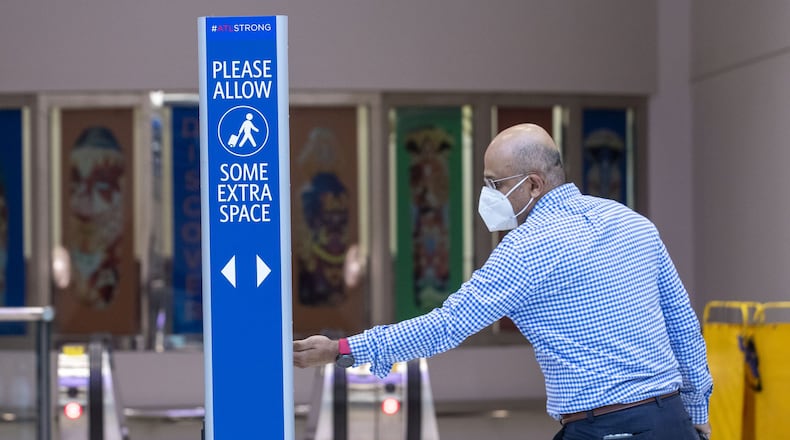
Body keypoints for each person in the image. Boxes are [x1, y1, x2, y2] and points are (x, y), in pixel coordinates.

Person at [293, 123, 712, 439]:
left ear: (533, 184)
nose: (487, 196)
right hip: (670, 421)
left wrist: (343, 349)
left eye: (494, 184)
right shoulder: (631, 222)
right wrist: (697, 418)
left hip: (606, 427)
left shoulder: (527, 248)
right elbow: (682, 325)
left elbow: (447, 324)